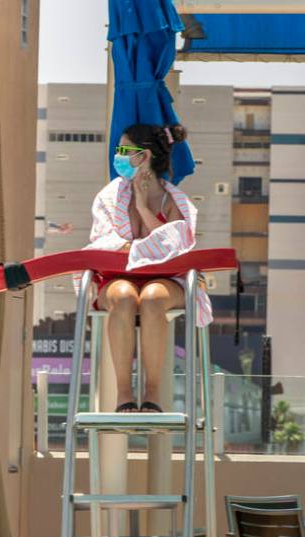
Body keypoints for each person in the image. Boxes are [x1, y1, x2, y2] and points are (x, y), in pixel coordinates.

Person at [84, 122, 213, 412]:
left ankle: (153, 392)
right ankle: (123, 393)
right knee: (123, 297)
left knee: (153, 298)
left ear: (143, 156)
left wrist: (143, 209)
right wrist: (147, 248)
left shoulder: (172, 200)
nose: (117, 156)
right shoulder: (110, 197)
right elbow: (103, 242)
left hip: (166, 283)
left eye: (123, 150)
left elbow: (177, 247)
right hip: (118, 279)